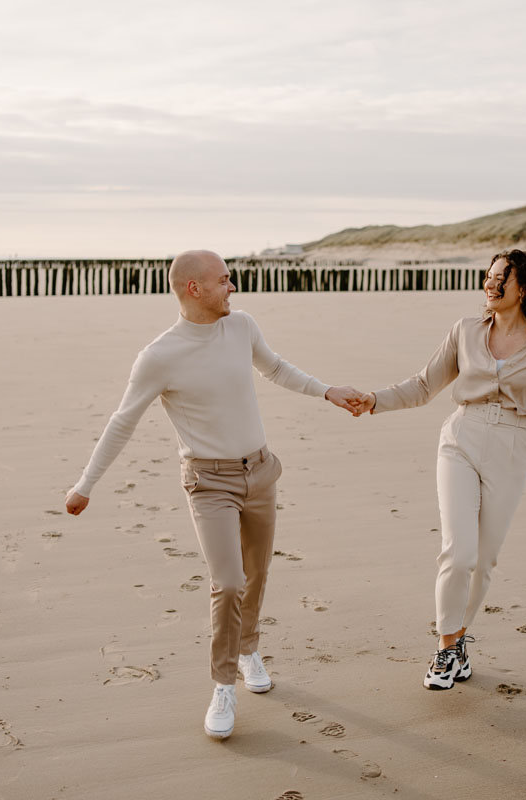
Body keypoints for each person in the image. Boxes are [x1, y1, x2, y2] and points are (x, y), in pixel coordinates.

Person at [64, 249, 363, 738]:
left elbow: (277, 368)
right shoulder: (159, 355)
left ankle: (248, 651)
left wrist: (326, 391)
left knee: (258, 572)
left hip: (260, 471)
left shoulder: (241, 326)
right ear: (194, 288)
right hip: (209, 482)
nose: (233, 288)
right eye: (225, 280)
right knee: (228, 582)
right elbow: (123, 422)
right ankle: (223, 684)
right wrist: (85, 485)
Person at [356, 249, 526, 690]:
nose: (489, 285)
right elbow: (424, 384)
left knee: (483, 561)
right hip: (461, 439)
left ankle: (459, 640)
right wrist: (376, 400)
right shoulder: (465, 331)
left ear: (521, 287)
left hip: (511, 446)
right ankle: (446, 648)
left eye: (499, 279)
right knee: (459, 552)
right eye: (487, 277)